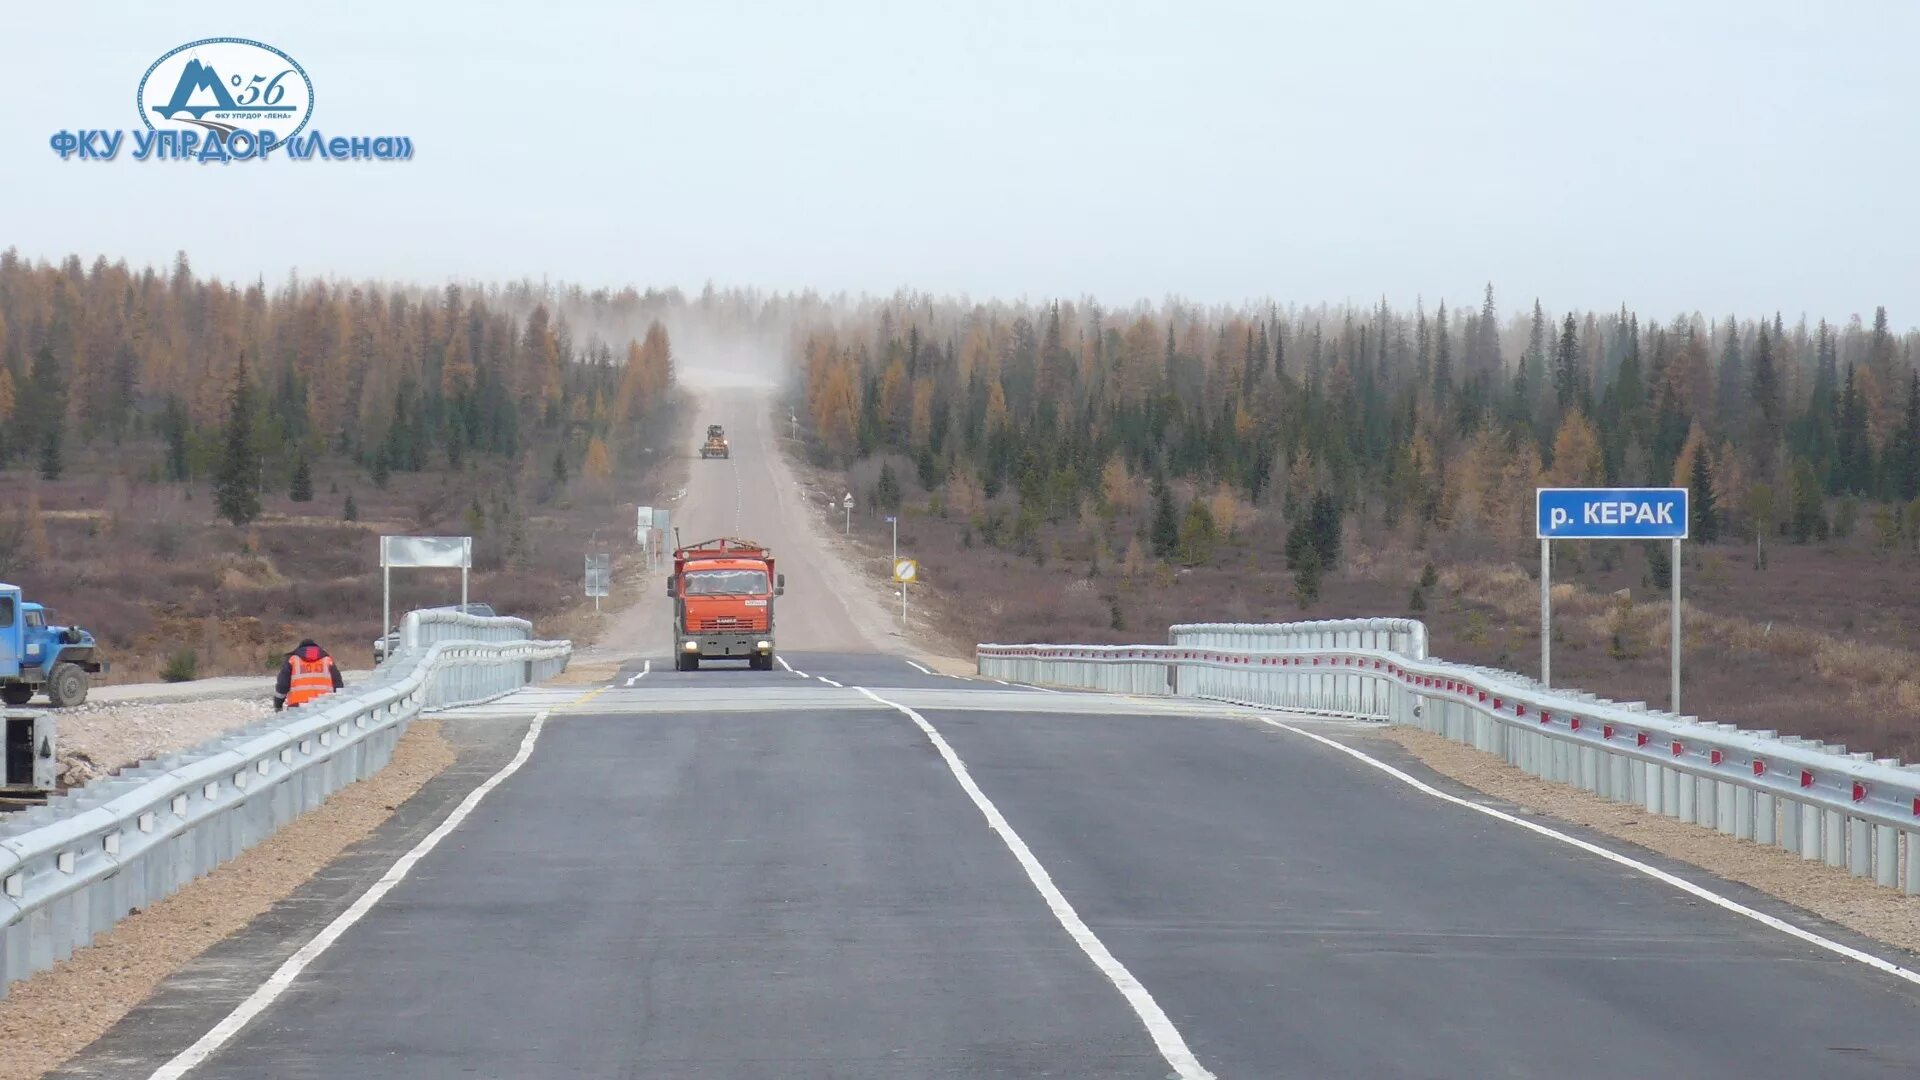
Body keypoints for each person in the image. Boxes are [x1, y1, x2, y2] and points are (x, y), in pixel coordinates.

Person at [275, 639, 345, 711]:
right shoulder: (327, 660)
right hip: (325, 704)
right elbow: (338, 684)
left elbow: (282, 685)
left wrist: (278, 704)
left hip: (297, 706)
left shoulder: (292, 660)